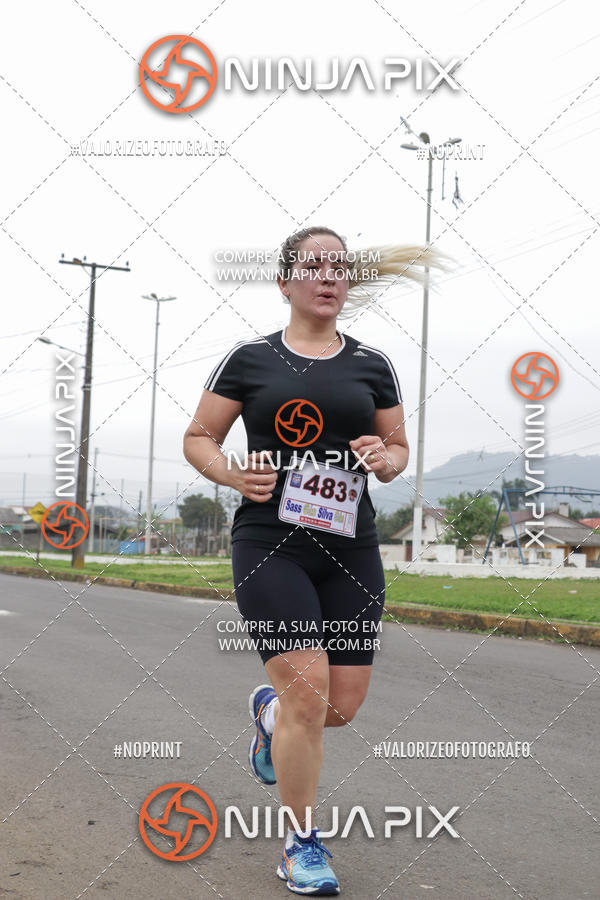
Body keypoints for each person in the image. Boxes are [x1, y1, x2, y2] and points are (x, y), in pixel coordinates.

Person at [183, 226, 444, 895]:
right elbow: (199, 437)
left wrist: (385, 459)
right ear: (284, 282)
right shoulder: (250, 360)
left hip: (350, 548)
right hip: (270, 544)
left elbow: (398, 452)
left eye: (339, 268)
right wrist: (231, 474)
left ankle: (269, 717)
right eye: (314, 267)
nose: (329, 277)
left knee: (340, 706)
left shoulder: (373, 365)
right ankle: (301, 845)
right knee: (307, 695)